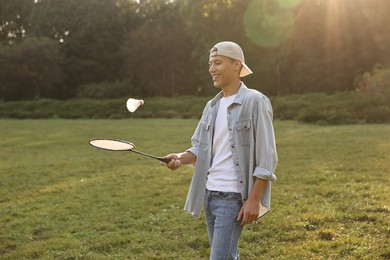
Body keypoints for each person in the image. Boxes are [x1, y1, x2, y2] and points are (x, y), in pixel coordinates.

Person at [163, 41, 278, 260]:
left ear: (236, 65)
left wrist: (254, 198)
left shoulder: (256, 101)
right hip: (209, 194)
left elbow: (267, 155)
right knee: (227, 256)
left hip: (233, 197)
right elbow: (200, 149)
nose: (211, 69)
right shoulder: (212, 106)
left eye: (217, 63)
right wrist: (179, 157)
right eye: (210, 64)